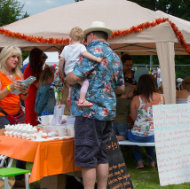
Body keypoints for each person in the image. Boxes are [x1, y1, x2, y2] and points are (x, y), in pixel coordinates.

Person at [65, 21, 124, 189]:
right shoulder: (115, 57)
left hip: (88, 113)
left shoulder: (90, 52)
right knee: (102, 155)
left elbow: (74, 78)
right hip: (107, 113)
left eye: (85, 38)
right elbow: (121, 87)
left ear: (91, 35)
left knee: (88, 158)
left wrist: (67, 76)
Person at [0, 46, 29, 187]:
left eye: (17, 57)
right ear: (5, 57)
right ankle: (3, 179)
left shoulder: (19, 75)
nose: (16, 60)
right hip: (2, 115)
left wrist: (25, 91)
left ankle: (19, 179)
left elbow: (23, 97)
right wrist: (10, 87)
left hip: (17, 114)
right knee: (5, 147)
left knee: (22, 144)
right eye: (13, 56)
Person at [59, 26, 103, 107]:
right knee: (85, 83)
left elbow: (61, 60)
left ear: (70, 37)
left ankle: (69, 96)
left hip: (67, 71)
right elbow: (85, 54)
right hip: (75, 71)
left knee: (72, 84)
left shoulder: (65, 48)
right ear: (82, 39)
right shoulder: (81, 47)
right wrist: (96, 59)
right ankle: (82, 99)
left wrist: (61, 72)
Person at [128, 74, 165, 169]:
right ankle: (151, 161)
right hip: (155, 135)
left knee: (130, 136)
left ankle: (139, 161)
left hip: (138, 135)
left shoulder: (136, 99)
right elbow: (163, 116)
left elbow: (133, 116)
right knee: (150, 134)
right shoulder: (161, 97)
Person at [24, 48, 47, 126]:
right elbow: (38, 85)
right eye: (41, 58)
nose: (42, 61)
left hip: (38, 97)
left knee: (38, 120)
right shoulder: (29, 69)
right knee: (32, 120)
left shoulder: (38, 68)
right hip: (31, 98)